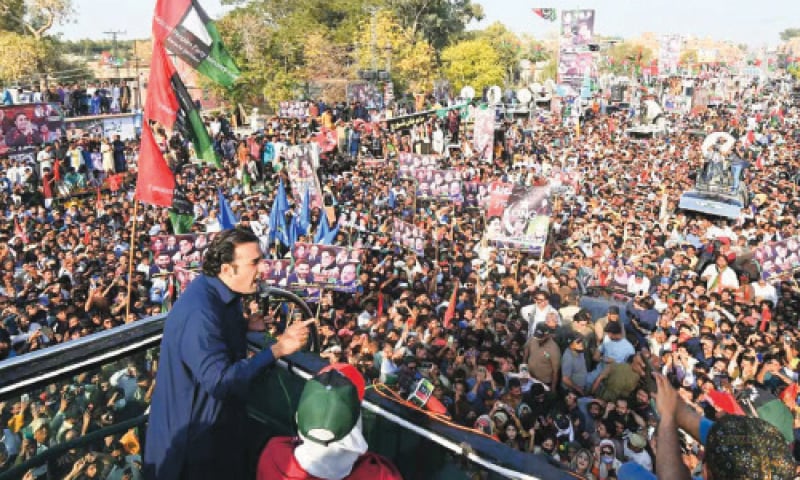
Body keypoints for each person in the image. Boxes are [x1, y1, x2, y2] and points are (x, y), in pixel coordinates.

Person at [144, 227, 315, 480]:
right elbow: (220, 381)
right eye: (254, 262)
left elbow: (214, 342)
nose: (262, 269)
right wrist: (278, 349)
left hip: (215, 434)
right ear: (227, 269)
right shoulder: (201, 313)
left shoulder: (219, 294)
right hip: (192, 451)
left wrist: (243, 327)